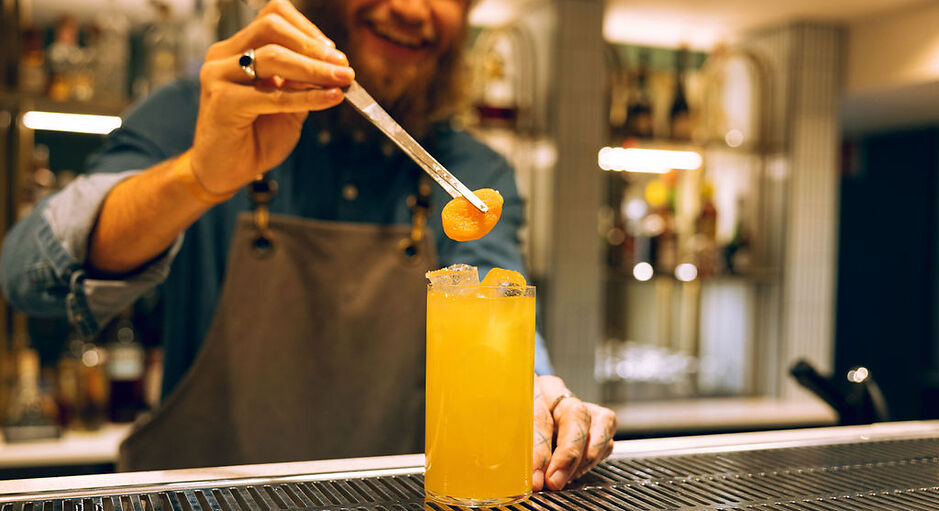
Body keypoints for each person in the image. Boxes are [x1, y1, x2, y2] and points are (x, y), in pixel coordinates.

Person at [0, 0, 616, 491]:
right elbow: (30, 273)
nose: (411, 8)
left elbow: (493, 303)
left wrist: (535, 393)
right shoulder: (201, 113)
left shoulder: (471, 172)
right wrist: (197, 176)